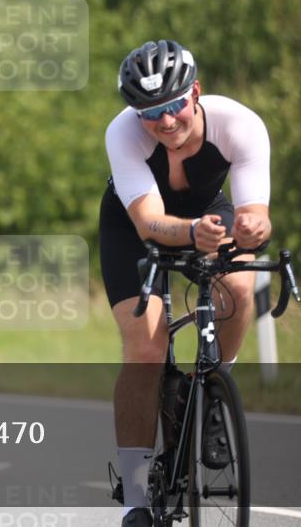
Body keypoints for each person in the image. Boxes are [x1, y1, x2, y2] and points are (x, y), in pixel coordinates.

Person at [99, 40, 271, 526]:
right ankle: (135, 498)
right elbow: (149, 221)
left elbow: (256, 212)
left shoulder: (239, 124)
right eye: (149, 112)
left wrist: (254, 227)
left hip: (205, 211)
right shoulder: (123, 134)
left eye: (174, 106)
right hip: (132, 225)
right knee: (146, 349)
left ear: (195, 92)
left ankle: (215, 392)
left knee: (238, 289)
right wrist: (191, 234)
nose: (165, 121)